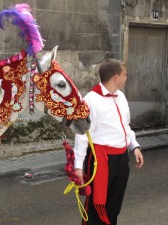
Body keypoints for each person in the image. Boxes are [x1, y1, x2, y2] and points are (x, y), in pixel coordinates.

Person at [73, 58, 144, 225]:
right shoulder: (90, 100)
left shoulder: (121, 97)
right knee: (95, 207)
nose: (127, 77)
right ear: (116, 77)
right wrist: (77, 165)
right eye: (125, 74)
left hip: (121, 158)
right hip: (100, 160)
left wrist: (134, 147)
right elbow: (82, 134)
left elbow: (125, 126)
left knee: (114, 205)